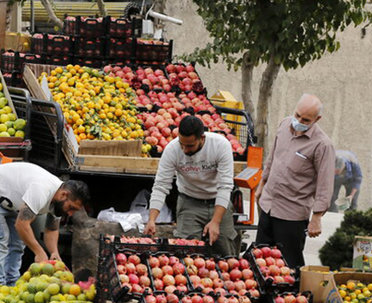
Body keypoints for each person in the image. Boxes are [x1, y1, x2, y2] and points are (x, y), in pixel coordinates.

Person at [0, 162, 90, 286]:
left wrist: (54, 252)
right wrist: (39, 251)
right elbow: (21, 225)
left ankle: (11, 284)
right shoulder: (41, 190)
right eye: (71, 208)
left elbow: (51, 229)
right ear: (64, 194)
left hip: (7, 198)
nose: (70, 214)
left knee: (17, 243)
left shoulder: (59, 200)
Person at [252, 94, 335, 272]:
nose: (298, 121)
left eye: (305, 119)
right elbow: (272, 157)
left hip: (292, 215)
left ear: (317, 119)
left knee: (289, 267)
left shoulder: (322, 145)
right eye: (297, 115)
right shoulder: (284, 125)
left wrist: (317, 217)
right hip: (268, 206)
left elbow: (325, 184)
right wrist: (262, 184)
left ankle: (293, 297)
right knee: (260, 260)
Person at [143, 113, 237, 256]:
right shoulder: (172, 150)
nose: (185, 150)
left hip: (218, 202)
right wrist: (151, 219)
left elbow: (225, 186)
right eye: (182, 144)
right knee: (185, 252)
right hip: (189, 202)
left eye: (190, 146)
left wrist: (216, 221)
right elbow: (161, 185)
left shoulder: (220, 145)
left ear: (202, 138)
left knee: (225, 252)